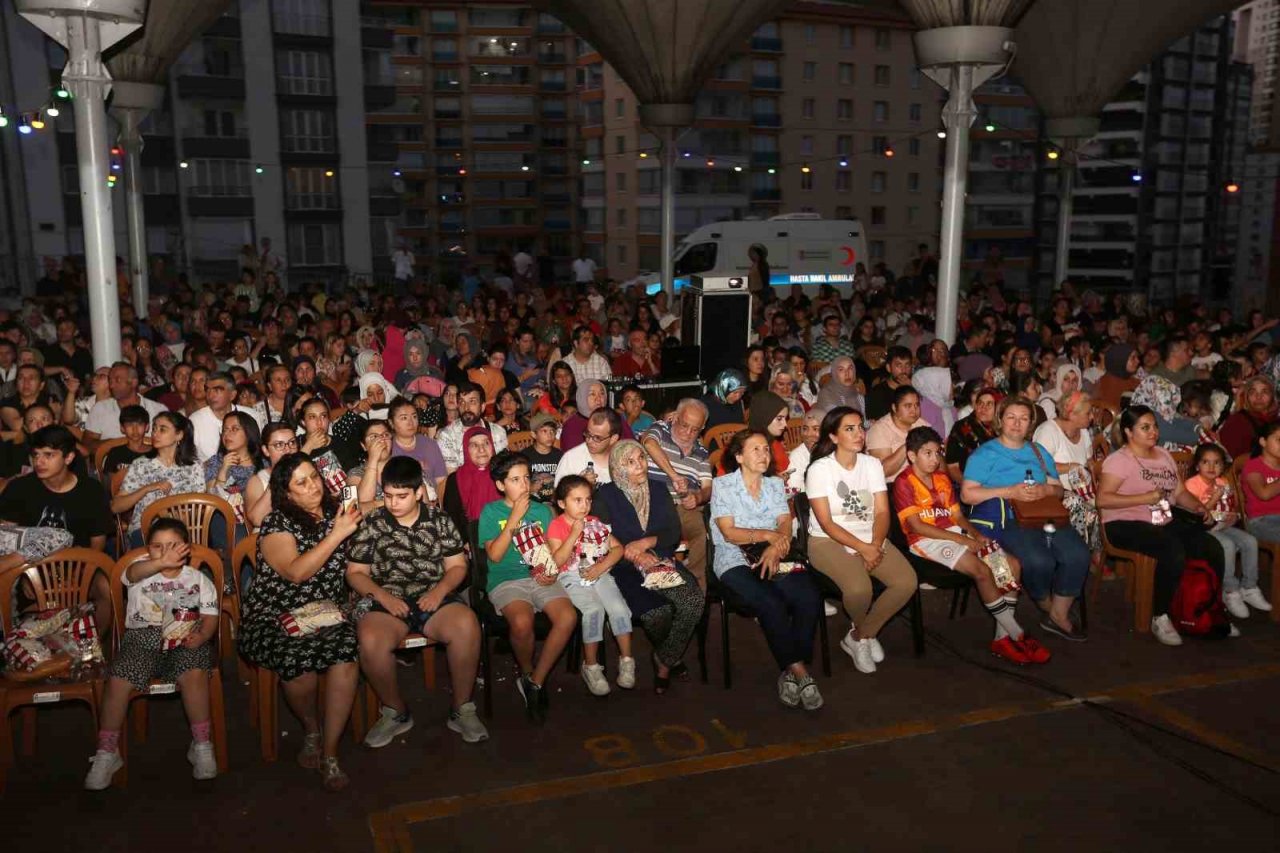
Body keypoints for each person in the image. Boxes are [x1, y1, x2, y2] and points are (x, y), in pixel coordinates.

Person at [238, 453, 361, 790]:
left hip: (325, 611)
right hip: (274, 613)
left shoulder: (339, 513)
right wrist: (336, 535)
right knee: (297, 660)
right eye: (301, 483)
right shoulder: (277, 523)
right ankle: (311, 728)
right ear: (287, 493)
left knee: (347, 649)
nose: (313, 486)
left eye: (314, 477)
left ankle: (330, 752)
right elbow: (295, 573)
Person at [346, 456, 488, 747]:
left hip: (433, 594)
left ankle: (462, 708)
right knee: (370, 640)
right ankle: (396, 711)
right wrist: (384, 597)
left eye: (402, 496)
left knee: (467, 625)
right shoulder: (372, 522)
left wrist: (439, 591)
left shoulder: (439, 520)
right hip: (386, 597)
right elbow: (355, 573)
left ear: (419, 492)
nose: (393, 503)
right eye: (388, 496)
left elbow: (457, 566)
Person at [893, 427, 1050, 664]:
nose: (935, 459)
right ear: (912, 455)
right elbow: (917, 526)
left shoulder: (942, 478)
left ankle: (1002, 638)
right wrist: (964, 540)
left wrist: (977, 535)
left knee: (1011, 565)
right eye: (928, 453)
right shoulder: (904, 482)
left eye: (937, 453)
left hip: (955, 534)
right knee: (982, 570)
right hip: (927, 541)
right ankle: (1018, 635)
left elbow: (958, 517)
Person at [84, 518, 219, 790]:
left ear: (187, 548)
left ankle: (202, 744)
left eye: (173, 545)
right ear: (147, 550)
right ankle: (107, 751)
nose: (165, 552)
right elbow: (130, 575)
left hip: (184, 637)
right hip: (142, 639)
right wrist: (158, 563)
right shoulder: (141, 571)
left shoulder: (199, 579)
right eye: (157, 546)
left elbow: (209, 615)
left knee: (195, 672)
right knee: (119, 677)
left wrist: (203, 635)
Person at [962, 396, 1090, 641]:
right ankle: (1046, 604)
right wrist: (1010, 491)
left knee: (1078, 554)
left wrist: (1045, 490)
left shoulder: (1038, 451)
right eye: (1011, 417)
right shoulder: (985, 454)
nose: (1017, 423)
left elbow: (1059, 490)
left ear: (1031, 423)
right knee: (1038, 561)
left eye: (1024, 418)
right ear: (1000, 420)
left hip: (1043, 516)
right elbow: (967, 495)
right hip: (1007, 519)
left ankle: (1058, 614)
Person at [711, 430, 823, 709]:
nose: (764, 455)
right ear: (739, 456)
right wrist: (767, 535)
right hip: (734, 557)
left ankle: (789, 669)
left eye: (766, 449)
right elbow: (729, 533)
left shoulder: (774, 484)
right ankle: (801, 672)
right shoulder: (723, 485)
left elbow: (784, 522)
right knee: (770, 601)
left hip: (774, 552)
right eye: (756, 449)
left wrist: (775, 546)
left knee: (808, 595)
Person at [1097, 406, 1227, 646]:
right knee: (1171, 547)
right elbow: (1103, 499)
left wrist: (1199, 507)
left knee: (1210, 546)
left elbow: (1180, 493)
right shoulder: (1118, 461)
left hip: (1161, 519)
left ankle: (1210, 608)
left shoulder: (1163, 455)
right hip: (1123, 522)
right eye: (1145, 427)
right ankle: (1160, 615)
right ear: (1128, 432)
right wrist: (1144, 498)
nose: (1153, 432)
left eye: (1155, 426)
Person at [804, 407, 917, 674]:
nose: (859, 434)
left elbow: (882, 512)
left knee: (906, 582)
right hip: (827, 541)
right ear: (833, 437)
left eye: (860, 427)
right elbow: (826, 523)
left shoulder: (871, 464)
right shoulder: (820, 469)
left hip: (870, 537)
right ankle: (866, 633)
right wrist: (863, 548)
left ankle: (860, 635)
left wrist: (875, 545)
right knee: (859, 590)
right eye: (849, 429)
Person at [593, 440, 705, 694]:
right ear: (618, 467)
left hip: (660, 559)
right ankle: (673, 657)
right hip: (624, 568)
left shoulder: (658, 489)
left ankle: (664, 659)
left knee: (693, 602)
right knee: (656, 614)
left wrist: (647, 543)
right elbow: (602, 540)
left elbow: (672, 532)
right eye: (630, 462)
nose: (640, 466)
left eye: (642, 458)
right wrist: (633, 554)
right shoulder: (605, 496)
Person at [479, 451, 578, 722]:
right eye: (515, 480)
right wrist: (514, 518)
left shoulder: (542, 511)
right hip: (506, 579)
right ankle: (526, 670)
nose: (524, 485)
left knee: (567, 617)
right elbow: (494, 556)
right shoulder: (491, 512)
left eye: (526, 478)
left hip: (539, 576)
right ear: (501, 484)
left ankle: (535, 681)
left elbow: (552, 552)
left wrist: (550, 571)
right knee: (522, 622)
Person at [546, 475, 636, 695]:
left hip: (599, 573)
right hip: (571, 577)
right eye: (577, 500)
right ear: (561, 503)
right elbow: (556, 562)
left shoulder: (594, 522)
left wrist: (601, 567)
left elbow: (618, 549)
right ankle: (591, 666)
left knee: (619, 609)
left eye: (587, 499)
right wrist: (574, 534)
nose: (584, 505)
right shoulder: (556, 526)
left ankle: (627, 660)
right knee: (594, 610)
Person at [1185, 443, 1271, 618]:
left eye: (1217, 463)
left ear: (1223, 466)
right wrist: (1214, 497)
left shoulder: (1223, 482)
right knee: (1227, 545)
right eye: (1206, 462)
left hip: (1221, 525)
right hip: (1200, 528)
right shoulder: (1192, 484)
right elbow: (1197, 514)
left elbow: (1229, 508)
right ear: (1197, 465)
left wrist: (1233, 516)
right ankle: (1230, 590)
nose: (1211, 467)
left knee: (1250, 541)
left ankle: (1249, 587)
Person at [639, 399, 713, 590]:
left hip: (681, 506)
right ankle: (660, 581)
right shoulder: (660, 429)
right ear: (675, 418)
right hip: (652, 503)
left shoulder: (702, 453)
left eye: (695, 429)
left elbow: (708, 488)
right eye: (684, 425)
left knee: (703, 530)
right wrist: (674, 475)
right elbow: (648, 443)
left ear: (702, 428)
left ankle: (695, 583)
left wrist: (697, 498)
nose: (688, 433)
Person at [114, 411, 205, 548]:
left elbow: (200, 508)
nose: (155, 434)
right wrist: (147, 488)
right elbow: (116, 507)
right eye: (154, 428)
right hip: (146, 529)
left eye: (162, 429)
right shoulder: (141, 464)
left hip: (183, 529)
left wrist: (179, 515)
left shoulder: (194, 466)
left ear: (179, 435)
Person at [1033, 390, 1101, 563]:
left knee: (1103, 502)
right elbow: (1039, 466)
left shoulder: (1083, 432)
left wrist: (1095, 468)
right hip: (1054, 491)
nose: (1092, 416)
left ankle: (1095, 556)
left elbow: (1088, 461)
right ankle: (1079, 555)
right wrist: (1071, 467)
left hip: (1081, 488)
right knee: (1082, 506)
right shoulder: (1048, 431)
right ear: (1072, 414)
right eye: (1088, 413)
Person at [81, 362, 168, 450]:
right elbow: (87, 445)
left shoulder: (158, 410)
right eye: (110, 381)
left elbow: (168, 443)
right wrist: (118, 443)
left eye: (117, 380)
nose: (112, 385)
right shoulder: (100, 409)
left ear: (134, 382)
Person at [204, 410, 261, 542]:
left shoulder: (263, 462)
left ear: (249, 433)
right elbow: (212, 498)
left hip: (259, 517)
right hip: (227, 520)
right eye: (225, 430)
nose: (227, 434)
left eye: (234, 429)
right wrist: (224, 469)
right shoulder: (216, 461)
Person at [189, 371, 265, 463]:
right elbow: (190, 460)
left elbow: (260, 450)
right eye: (208, 390)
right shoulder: (195, 421)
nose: (210, 395)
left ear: (232, 395)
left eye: (217, 390)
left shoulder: (252, 416)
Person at [436, 382, 508, 473]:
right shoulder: (447, 435)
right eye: (462, 402)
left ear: (482, 407)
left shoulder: (497, 432)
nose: (466, 407)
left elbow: (504, 469)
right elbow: (452, 475)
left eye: (472, 401)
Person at [386, 398, 446, 500]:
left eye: (414, 417)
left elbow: (441, 481)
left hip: (433, 502)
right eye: (404, 418)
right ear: (391, 423)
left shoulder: (429, 444)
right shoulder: (388, 448)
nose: (411, 422)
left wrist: (440, 506)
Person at [866, 385, 928, 483]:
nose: (914, 410)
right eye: (908, 406)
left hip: (921, 481)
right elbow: (883, 471)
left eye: (917, 405)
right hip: (892, 484)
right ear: (894, 408)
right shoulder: (879, 429)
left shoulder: (921, 424)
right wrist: (910, 443)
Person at [245, 422, 298, 530]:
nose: (288, 449)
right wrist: (278, 477)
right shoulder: (258, 480)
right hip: (272, 535)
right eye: (279, 445)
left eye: (292, 442)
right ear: (266, 450)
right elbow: (257, 519)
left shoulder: (307, 471)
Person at [555, 407, 621, 488]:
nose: (589, 441)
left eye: (597, 438)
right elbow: (558, 494)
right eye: (588, 433)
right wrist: (579, 484)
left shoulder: (623, 461)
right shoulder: (571, 459)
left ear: (613, 439)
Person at [560, 379, 633, 451]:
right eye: (592, 394)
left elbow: (632, 445)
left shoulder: (615, 418)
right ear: (582, 397)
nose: (598, 398)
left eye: (602, 393)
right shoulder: (571, 426)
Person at [945, 386, 999, 483]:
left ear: (998, 408)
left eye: (989, 404)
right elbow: (952, 467)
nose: (983, 408)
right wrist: (968, 485)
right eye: (980, 403)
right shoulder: (962, 428)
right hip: (969, 482)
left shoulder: (1004, 428)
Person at [1241, 420, 1280, 549]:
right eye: (1279, 440)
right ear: (1263, 442)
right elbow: (1264, 494)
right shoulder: (1253, 466)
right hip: (1260, 521)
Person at [1219, 376, 1278, 460]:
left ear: (1272, 396)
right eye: (1252, 392)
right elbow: (1234, 459)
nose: (1258, 397)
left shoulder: (1277, 420)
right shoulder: (1237, 421)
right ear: (1246, 397)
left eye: (1264, 392)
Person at [743, 390, 792, 477]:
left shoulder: (775, 444)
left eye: (785, 418)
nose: (785, 424)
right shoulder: (741, 447)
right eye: (779, 419)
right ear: (764, 417)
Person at [100, 404, 153, 477]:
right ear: (122, 428)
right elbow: (108, 481)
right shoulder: (115, 453)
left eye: (139, 424)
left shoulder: (156, 453)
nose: (135, 429)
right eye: (129, 425)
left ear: (147, 427)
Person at [864, 346, 914, 421]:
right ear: (888, 368)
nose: (904, 370)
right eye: (899, 365)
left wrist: (911, 390)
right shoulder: (877, 394)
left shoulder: (914, 388)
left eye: (907, 365)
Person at [525, 411, 563, 502]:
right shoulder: (524, 456)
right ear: (534, 434)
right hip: (532, 502)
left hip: (554, 500)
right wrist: (529, 488)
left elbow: (564, 481)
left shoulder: (560, 456)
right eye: (544, 431)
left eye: (552, 431)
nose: (550, 435)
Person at [912, 366, 956, 441]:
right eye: (949, 383)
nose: (953, 387)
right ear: (936, 386)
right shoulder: (921, 408)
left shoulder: (949, 406)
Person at [1095, 344, 1141, 411]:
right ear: (1121, 359)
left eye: (1137, 357)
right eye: (1133, 358)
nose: (1138, 361)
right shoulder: (1108, 383)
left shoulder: (1134, 381)